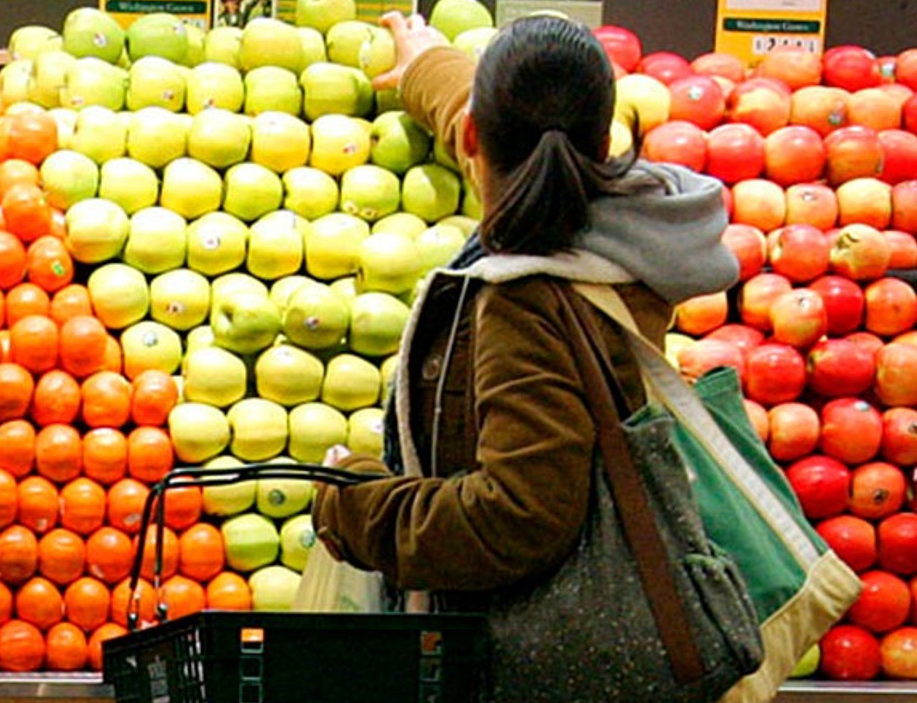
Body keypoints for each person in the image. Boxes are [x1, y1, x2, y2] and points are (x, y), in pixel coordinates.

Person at [310, 13, 740, 611]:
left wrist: (353, 502)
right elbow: (522, 141)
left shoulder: (526, 303)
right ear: (601, 143)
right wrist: (427, 66)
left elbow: (516, 519)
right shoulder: (632, 223)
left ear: (469, 140)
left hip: (545, 664)